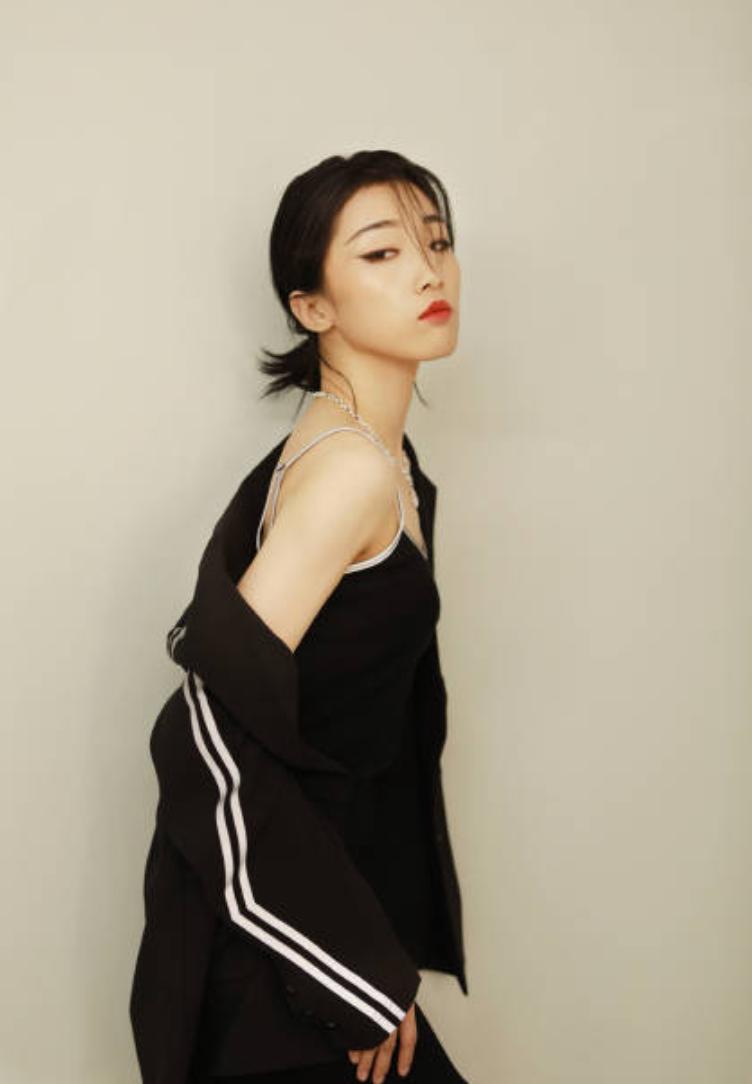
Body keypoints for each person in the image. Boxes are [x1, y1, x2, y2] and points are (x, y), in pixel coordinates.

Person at [129, 149, 469, 1084]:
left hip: (318, 922)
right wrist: (349, 972)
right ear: (312, 306)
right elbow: (197, 731)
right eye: (382, 253)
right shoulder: (351, 472)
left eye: (437, 243)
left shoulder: (388, 463)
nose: (428, 272)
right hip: (277, 965)